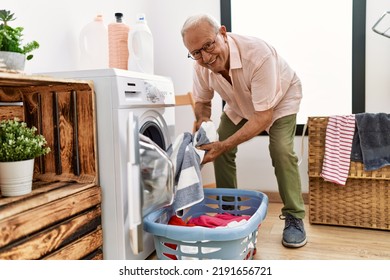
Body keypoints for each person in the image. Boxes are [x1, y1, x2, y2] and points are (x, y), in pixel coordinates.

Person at [181, 14, 307, 248]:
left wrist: (224, 144)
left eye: (209, 45)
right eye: (196, 52)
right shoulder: (201, 67)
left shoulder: (258, 55)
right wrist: (203, 124)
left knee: (280, 149)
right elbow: (202, 101)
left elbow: (263, 116)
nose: (205, 57)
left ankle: (294, 216)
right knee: (218, 147)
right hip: (239, 102)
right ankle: (228, 211)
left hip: (280, 100)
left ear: (223, 33)